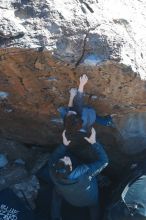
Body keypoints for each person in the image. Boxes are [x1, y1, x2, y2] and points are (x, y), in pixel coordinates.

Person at [48, 128, 109, 220]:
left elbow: (53, 157)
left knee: (56, 193)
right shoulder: (85, 173)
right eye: (66, 160)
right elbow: (104, 161)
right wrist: (94, 142)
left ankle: (55, 217)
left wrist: (64, 145)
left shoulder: (53, 172)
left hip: (70, 199)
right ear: (71, 168)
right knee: (94, 206)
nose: (65, 157)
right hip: (89, 200)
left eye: (62, 159)